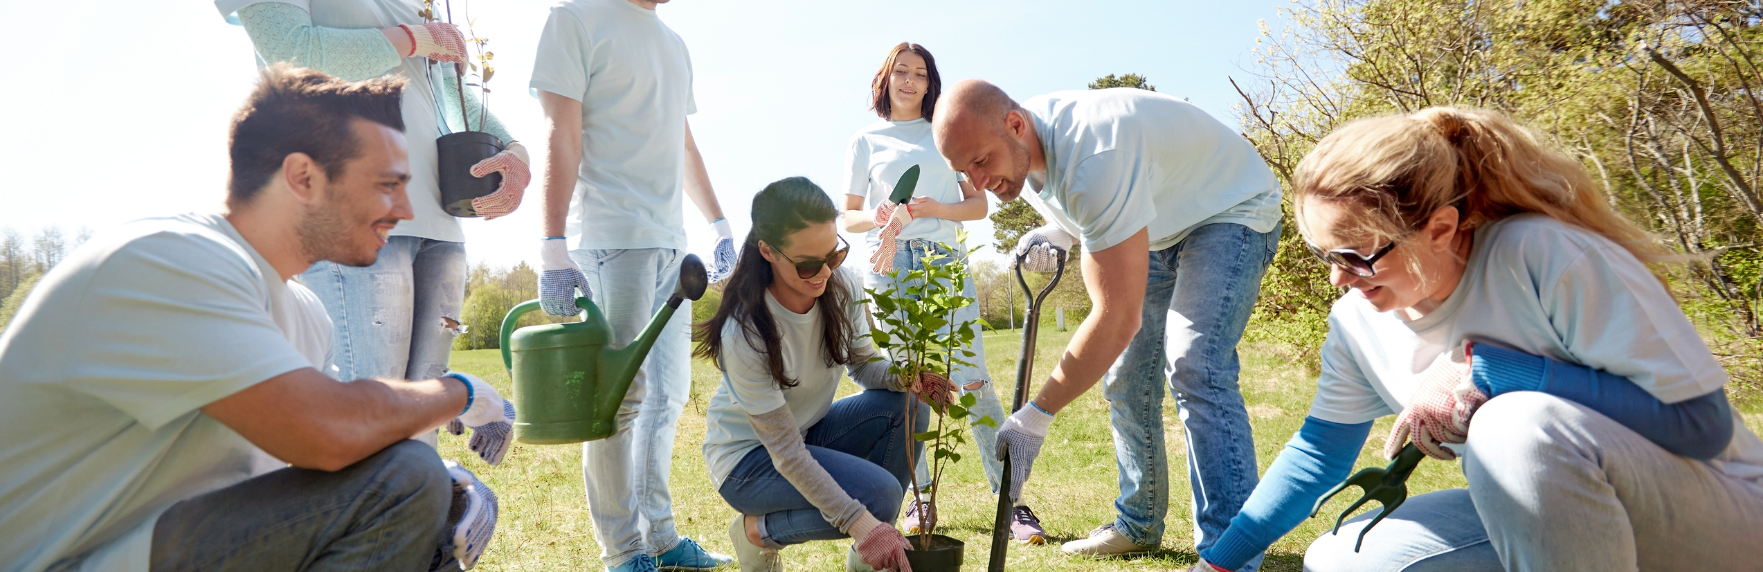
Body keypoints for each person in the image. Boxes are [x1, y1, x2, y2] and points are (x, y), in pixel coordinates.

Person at [1183, 107, 1763, 572]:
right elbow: (1318, 454)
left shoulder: (1545, 256)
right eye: (1324, 255)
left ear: (1439, 227)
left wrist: (1494, 373)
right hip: (1581, 526)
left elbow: (1703, 426)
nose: (1339, 278)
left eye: (1357, 256)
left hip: (1727, 522)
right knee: (1342, 559)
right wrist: (1221, 563)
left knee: (1513, 428)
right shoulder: (1358, 321)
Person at [0, 66, 518, 572]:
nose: (405, 209)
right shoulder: (169, 259)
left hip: (162, 544)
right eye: (387, 184)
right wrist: (464, 392)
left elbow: (318, 457)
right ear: (303, 177)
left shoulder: (304, 312)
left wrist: (437, 495)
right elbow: (330, 429)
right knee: (405, 479)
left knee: (411, 481)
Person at [931, 80, 1284, 564]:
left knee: (1195, 364)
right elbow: (1085, 203)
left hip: (1231, 209)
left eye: (980, 162)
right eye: (963, 172)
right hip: (1159, 224)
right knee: (1125, 378)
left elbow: (1117, 317)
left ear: (1015, 125)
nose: (977, 182)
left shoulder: (1091, 155)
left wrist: (1035, 416)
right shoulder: (1020, 147)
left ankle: (1230, 552)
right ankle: (1138, 524)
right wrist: (1060, 228)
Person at [219, 0, 531, 450]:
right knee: (364, 427)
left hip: (440, 222)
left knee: (420, 436)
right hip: (350, 216)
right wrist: (414, 38)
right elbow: (289, 51)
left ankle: (426, 513)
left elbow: (445, 89)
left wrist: (514, 149)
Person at [529, 0, 739, 569]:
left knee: (667, 396)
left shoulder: (673, 43)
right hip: (608, 236)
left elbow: (684, 143)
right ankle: (624, 552)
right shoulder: (574, 19)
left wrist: (718, 221)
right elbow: (560, 131)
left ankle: (662, 539)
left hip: (668, 243)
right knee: (619, 400)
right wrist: (551, 244)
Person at [700, 177, 950, 572]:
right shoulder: (745, 331)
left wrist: (907, 377)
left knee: (908, 407)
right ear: (767, 251)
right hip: (747, 463)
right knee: (878, 498)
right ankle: (755, 532)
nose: (824, 273)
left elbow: (864, 364)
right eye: (807, 264)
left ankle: (868, 556)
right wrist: (859, 521)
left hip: (807, 432)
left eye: (832, 255)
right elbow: (785, 452)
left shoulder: (842, 287)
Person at [837, 42, 1025, 543]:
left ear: (929, 83)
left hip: (943, 264)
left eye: (920, 73)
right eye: (901, 71)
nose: (910, 81)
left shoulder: (945, 133)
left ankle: (1011, 502)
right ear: (886, 78)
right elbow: (848, 215)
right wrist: (875, 217)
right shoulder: (865, 139)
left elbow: (979, 205)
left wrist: (934, 210)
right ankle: (918, 502)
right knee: (906, 384)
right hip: (887, 268)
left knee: (973, 379)